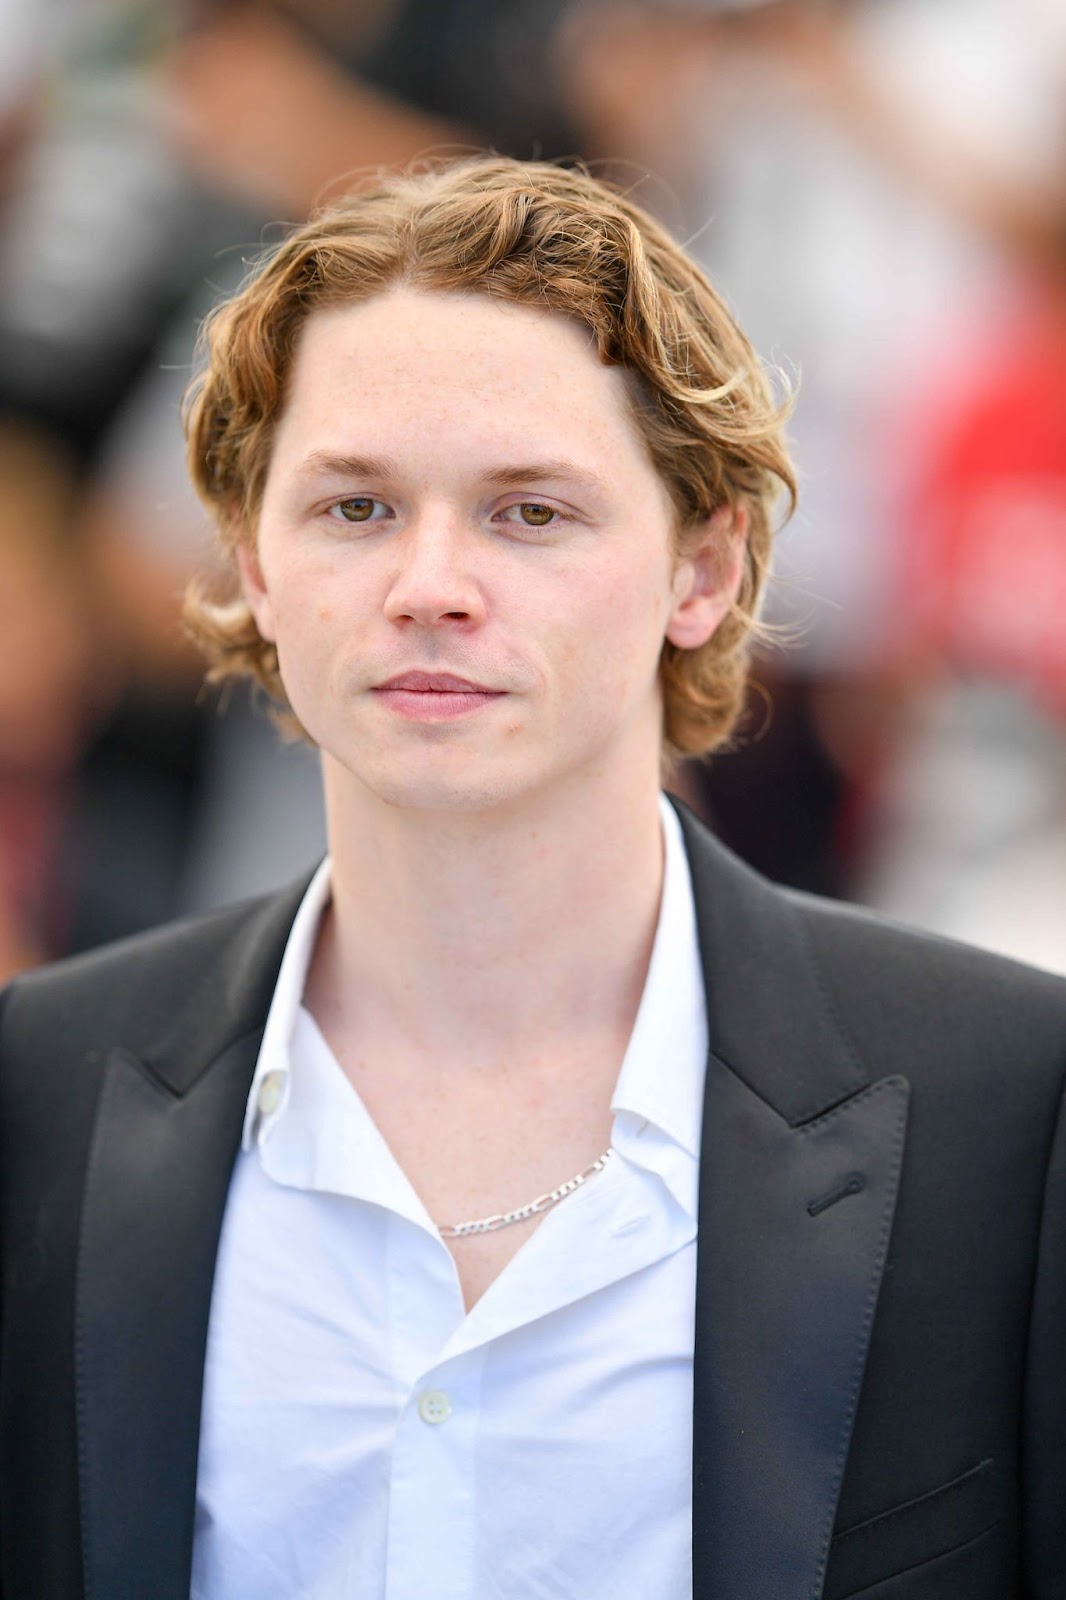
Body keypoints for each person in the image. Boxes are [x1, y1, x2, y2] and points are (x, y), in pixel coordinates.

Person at [0, 156, 1063, 1600]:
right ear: (252, 559)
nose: (430, 582)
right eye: (356, 508)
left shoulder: (1006, 1098)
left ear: (701, 570)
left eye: (530, 513)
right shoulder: (37, 1092)